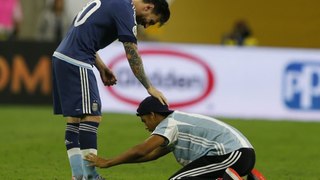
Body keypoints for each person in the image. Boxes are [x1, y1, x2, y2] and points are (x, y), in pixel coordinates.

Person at [51, 0, 170, 179]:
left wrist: (101, 67)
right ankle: (90, 176)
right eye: (150, 21)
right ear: (149, 7)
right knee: (92, 115)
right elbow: (132, 53)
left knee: (75, 118)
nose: (145, 24)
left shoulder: (113, 2)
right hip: (77, 60)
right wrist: (149, 87)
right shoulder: (126, 10)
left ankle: (78, 176)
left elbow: (83, 32)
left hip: (62, 56)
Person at [85, 96, 266, 180]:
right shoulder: (175, 124)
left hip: (232, 154)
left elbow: (142, 149)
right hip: (237, 155)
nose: (145, 125)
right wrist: (120, 163)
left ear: (153, 115)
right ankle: (251, 178)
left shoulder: (170, 124)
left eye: (144, 120)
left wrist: (108, 162)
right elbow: (150, 155)